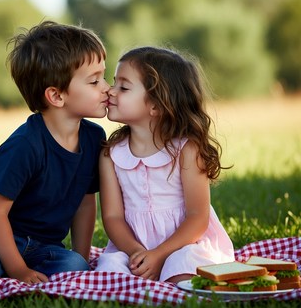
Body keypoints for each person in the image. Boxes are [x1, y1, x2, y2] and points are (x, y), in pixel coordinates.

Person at [0, 20, 109, 284]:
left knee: (74, 267)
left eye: (103, 77)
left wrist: (80, 258)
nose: (106, 87)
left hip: (42, 245)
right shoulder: (25, 145)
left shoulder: (94, 138)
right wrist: (18, 269)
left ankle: (20, 269)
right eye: (94, 81)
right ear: (57, 96)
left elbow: (85, 204)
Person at [95, 46, 234, 283]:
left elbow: (197, 216)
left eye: (124, 87)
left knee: (186, 262)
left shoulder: (186, 150)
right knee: (110, 266)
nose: (111, 91)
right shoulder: (111, 153)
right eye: (114, 82)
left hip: (185, 242)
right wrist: (136, 253)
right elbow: (112, 217)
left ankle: (169, 291)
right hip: (132, 245)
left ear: (156, 105)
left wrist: (159, 254)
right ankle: (135, 291)